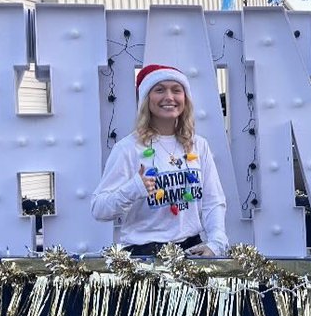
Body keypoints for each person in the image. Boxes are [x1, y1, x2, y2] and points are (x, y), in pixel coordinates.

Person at [91, 64, 228, 256]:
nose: (169, 97)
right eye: (159, 90)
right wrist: (134, 188)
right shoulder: (127, 149)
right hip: (144, 257)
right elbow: (99, 209)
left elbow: (213, 201)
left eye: (176, 90)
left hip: (190, 253)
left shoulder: (198, 145)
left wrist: (216, 242)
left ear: (185, 99)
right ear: (146, 99)